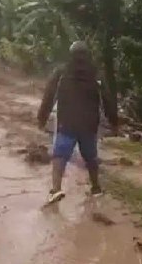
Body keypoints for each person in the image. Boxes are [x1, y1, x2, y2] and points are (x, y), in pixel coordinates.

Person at [37, 41, 118, 205]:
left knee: (60, 156)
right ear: (88, 55)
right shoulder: (96, 74)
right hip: (89, 125)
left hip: (67, 123)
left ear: (70, 54)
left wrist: (42, 118)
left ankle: (56, 189)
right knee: (91, 157)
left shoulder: (61, 72)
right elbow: (108, 100)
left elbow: (49, 96)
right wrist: (114, 122)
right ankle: (96, 188)